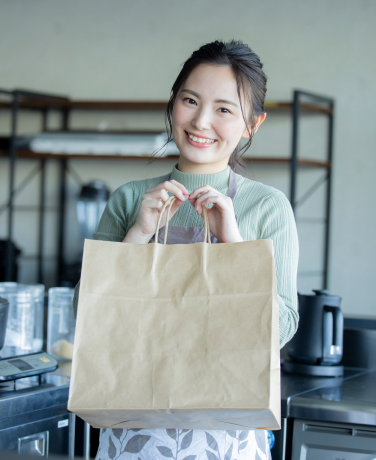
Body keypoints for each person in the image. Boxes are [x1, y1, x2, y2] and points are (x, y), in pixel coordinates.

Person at [73, 40, 299, 460]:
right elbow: (85, 316)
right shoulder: (129, 199)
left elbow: (281, 327)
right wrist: (139, 233)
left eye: (224, 109)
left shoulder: (267, 207)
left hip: (228, 436)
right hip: (133, 435)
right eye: (190, 100)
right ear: (173, 103)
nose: (201, 121)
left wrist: (233, 245)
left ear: (253, 124)